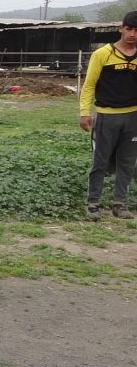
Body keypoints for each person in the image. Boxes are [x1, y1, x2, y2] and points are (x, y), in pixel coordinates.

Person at [78, 11, 137, 220]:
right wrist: (85, 112)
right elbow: (89, 85)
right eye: (129, 29)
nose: (132, 34)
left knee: (128, 162)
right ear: (121, 28)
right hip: (106, 116)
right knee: (100, 161)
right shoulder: (103, 54)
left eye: (136, 30)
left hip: (133, 117)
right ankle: (93, 203)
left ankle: (119, 203)